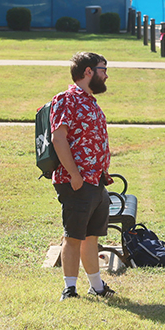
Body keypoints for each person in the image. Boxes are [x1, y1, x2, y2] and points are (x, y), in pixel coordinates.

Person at [50, 52, 117, 301]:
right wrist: (74, 175)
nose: (106, 74)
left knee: (91, 236)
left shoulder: (89, 101)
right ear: (88, 71)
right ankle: (70, 289)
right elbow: (58, 139)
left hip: (96, 180)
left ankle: (97, 286)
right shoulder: (66, 100)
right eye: (103, 69)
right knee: (74, 235)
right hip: (77, 182)